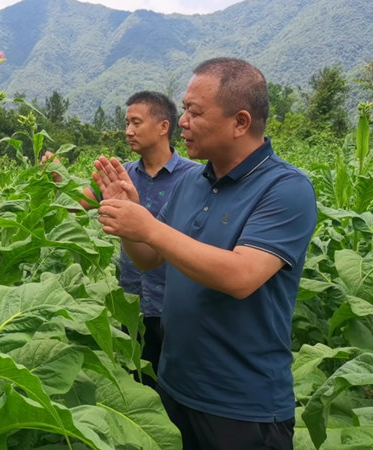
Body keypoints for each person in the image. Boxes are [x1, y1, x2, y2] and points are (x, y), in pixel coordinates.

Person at [94, 58, 317, 449]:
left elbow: (241, 277)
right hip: (175, 388)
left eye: (194, 112)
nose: (181, 121)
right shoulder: (192, 183)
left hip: (242, 406)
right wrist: (131, 225)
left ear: (240, 122)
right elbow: (150, 259)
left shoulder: (286, 189)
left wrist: (149, 226)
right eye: (184, 109)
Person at [43, 92, 199, 385]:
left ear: (164, 127)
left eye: (136, 123)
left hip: (177, 305)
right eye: (126, 123)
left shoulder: (194, 178)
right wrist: (56, 179)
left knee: (179, 388)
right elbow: (75, 207)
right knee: (138, 381)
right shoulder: (122, 175)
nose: (128, 131)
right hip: (132, 304)